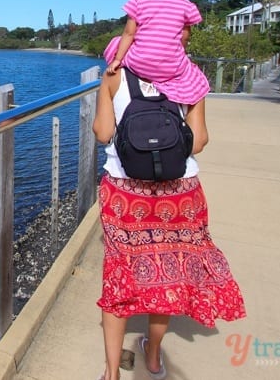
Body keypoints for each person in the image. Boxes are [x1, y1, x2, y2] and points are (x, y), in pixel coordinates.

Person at [92, 39, 246, 380]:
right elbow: (200, 140)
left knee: (119, 275)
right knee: (170, 272)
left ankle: (112, 372)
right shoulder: (189, 75)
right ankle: (154, 358)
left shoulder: (114, 75)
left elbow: (103, 133)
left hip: (124, 193)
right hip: (180, 194)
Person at [105, 0, 210, 106]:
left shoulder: (138, 2)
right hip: (171, 69)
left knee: (116, 41)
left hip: (140, 64)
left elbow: (129, 34)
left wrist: (117, 60)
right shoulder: (186, 4)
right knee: (193, 72)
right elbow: (184, 38)